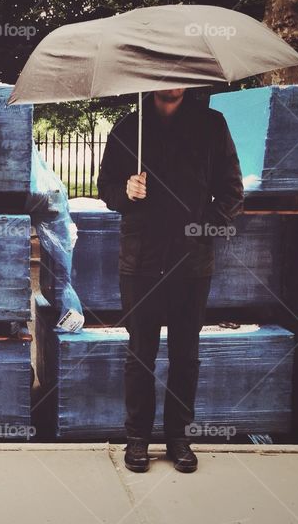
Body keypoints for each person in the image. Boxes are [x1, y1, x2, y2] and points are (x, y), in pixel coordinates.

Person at [97, 88, 243, 473]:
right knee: (141, 354)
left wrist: (205, 229)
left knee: (185, 354)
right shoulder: (129, 128)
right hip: (141, 260)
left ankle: (179, 437)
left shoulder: (211, 126)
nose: (173, 80)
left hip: (191, 263)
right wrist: (126, 191)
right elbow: (105, 187)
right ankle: (138, 439)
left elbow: (232, 191)